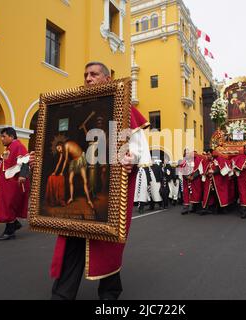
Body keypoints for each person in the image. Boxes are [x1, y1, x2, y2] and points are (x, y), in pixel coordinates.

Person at [30, 62, 151, 300]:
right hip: (83, 168)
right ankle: (62, 294)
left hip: (111, 186)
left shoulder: (124, 109)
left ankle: (110, 293)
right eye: (85, 74)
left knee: (106, 241)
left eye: (94, 74)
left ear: (107, 79)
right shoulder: (74, 109)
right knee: (71, 237)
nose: (88, 78)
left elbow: (137, 148)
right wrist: (41, 164)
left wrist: (130, 159)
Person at [0, 127, 30, 241]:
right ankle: (14, 224)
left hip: (13, 183)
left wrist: (23, 175)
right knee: (4, 205)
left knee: (8, 205)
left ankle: (9, 232)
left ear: (11, 137)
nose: (1, 139)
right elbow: (5, 165)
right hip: (6, 184)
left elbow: (25, 161)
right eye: (1, 136)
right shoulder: (9, 148)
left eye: (4, 136)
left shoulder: (18, 146)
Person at [200, 149, 230, 215]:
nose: (207, 156)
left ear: (212, 154)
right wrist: (207, 173)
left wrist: (213, 172)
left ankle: (222, 209)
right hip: (209, 181)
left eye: (208, 154)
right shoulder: (206, 161)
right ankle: (206, 208)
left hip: (218, 181)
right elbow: (204, 170)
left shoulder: (218, 160)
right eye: (207, 154)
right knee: (208, 195)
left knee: (219, 195)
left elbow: (221, 169)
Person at [179, 149, 203, 215]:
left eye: (188, 153)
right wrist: (187, 177)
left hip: (195, 180)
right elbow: (181, 170)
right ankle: (186, 207)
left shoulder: (197, 160)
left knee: (196, 193)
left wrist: (193, 177)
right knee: (186, 193)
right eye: (185, 153)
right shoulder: (182, 162)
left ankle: (196, 207)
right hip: (186, 180)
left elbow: (199, 170)